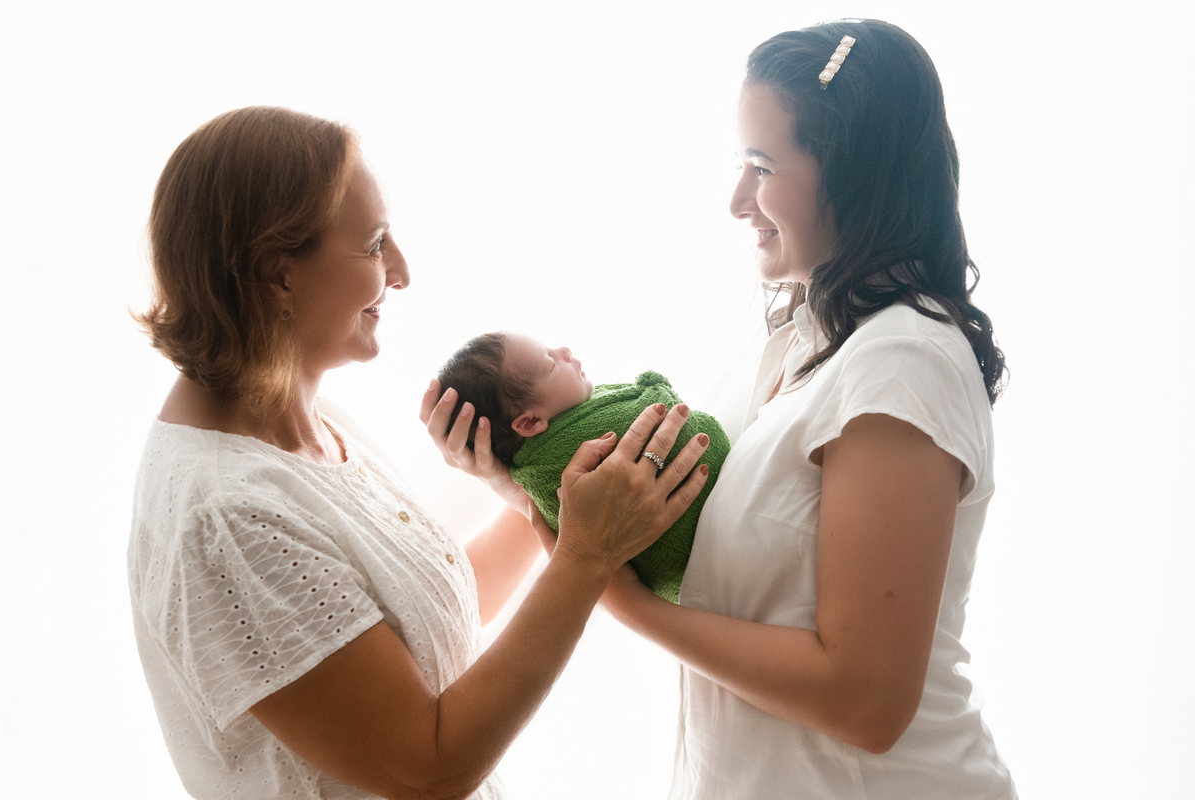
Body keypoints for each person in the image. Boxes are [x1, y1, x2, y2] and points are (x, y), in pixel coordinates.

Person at [426, 17, 1017, 800]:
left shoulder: (901, 363)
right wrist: (524, 484)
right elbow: (669, 529)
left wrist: (622, 603)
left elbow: (867, 702)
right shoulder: (791, 337)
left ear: (855, 172)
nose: (738, 198)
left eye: (761, 165)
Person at [126, 106, 711, 800]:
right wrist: (585, 555)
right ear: (279, 276)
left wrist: (522, 494)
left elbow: (423, 626)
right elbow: (428, 767)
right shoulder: (226, 516)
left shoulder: (312, 424)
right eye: (374, 245)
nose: (400, 273)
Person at [435, 332, 731, 602]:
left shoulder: (571, 419)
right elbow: (658, 405)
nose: (563, 350)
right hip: (713, 553)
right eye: (550, 363)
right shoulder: (561, 457)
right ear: (529, 423)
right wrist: (656, 390)